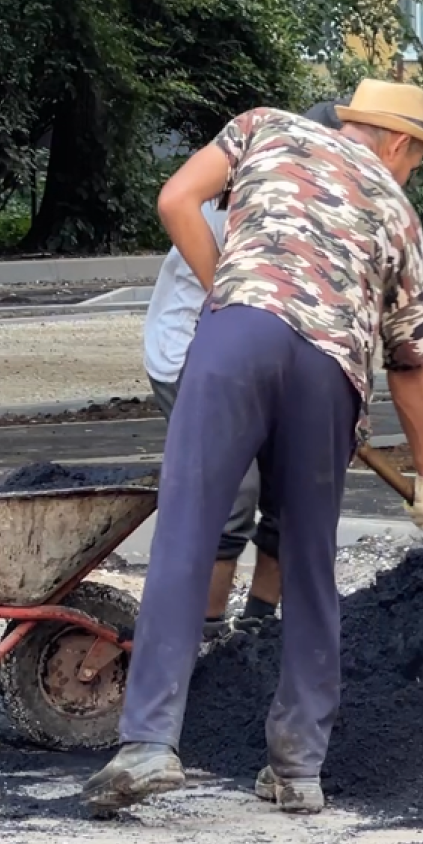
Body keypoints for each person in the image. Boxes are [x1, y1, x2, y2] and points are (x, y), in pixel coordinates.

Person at [83, 79, 423, 817]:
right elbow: (410, 362)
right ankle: (297, 769)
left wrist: (234, 293)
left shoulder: (264, 128)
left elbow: (174, 201)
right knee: (311, 560)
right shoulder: (399, 214)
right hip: (330, 373)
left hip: (235, 344)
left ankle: (150, 743)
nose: (410, 170)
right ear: (400, 142)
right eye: (418, 158)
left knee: (188, 531)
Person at [142, 99, 348, 640]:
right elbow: (178, 208)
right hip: (192, 350)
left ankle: (258, 631)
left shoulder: (328, 208)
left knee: (296, 485)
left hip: (277, 357)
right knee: (234, 493)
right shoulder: (246, 199)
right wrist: (231, 301)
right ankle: (206, 636)